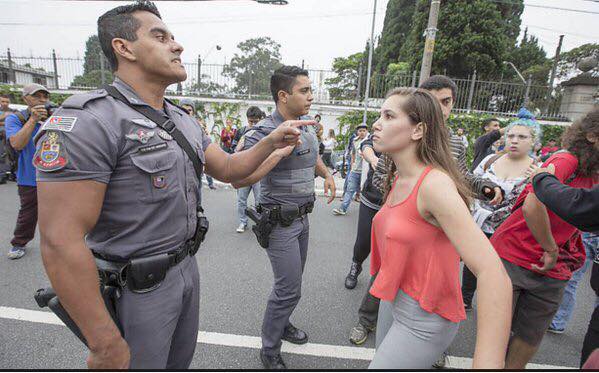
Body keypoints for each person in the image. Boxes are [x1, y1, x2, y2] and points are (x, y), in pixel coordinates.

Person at [34, 3, 311, 369]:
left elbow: (228, 168)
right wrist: (102, 341)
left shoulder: (180, 119)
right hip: (136, 288)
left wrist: (270, 141)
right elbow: (60, 240)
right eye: (160, 37)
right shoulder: (91, 121)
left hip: (185, 270)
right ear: (124, 47)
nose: (177, 46)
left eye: (173, 37)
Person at [351, 76, 504, 355]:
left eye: (388, 115)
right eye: (379, 115)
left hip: (423, 317)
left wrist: (487, 362)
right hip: (394, 298)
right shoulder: (399, 176)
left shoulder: (434, 185)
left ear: (418, 130)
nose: (375, 124)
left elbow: (493, 272)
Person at [232, 65, 336, 369]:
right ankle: (269, 348)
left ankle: (283, 321)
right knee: (288, 287)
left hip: (303, 219)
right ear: (283, 95)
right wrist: (277, 152)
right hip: (279, 223)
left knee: (293, 283)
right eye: (304, 90)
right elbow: (239, 178)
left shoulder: (305, 125)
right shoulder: (264, 132)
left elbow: (312, 153)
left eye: (310, 90)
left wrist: (327, 173)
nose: (311, 96)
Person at [490, 110, 599, 369]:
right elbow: (532, 205)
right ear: (593, 136)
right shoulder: (566, 160)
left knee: (530, 334)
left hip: (556, 266)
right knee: (496, 333)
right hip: (515, 254)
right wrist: (550, 248)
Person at [462, 111, 541, 311]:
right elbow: (469, 181)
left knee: (498, 272)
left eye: (522, 137)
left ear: (534, 141)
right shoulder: (490, 159)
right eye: (511, 136)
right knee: (472, 265)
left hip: (509, 232)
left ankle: (494, 308)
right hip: (477, 224)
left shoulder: (538, 170)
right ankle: (464, 298)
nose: (515, 141)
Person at [5, 84, 50, 259]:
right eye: (36, 96)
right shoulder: (16, 119)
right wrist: (33, 120)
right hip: (29, 175)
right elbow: (16, 144)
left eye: (44, 96)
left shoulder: (55, 115)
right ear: (25, 99)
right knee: (28, 213)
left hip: (57, 174)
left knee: (63, 211)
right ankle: (19, 243)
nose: (41, 99)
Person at [343, 132, 382, 291]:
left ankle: (383, 279)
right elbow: (366, 145)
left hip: (401, 201)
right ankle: (355, 266)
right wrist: (373, 159)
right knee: (364, 241)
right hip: (372, 198)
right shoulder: (385, 128)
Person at [233, 106, 265, 233]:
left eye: (256, 121)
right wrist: (238, 147)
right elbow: (232, 152)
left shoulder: (264, 133)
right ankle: (242, 222)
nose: (253, 124)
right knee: (241, 199)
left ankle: (260, 223)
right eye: (251, 121)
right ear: (247, 119)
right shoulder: (241, 132)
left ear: (260, 120)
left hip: (259, 172)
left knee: (259, 201)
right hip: (243, 173)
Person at [179, 98, 216, 189]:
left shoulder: (198, 126)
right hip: (179, 169)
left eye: (189, 110)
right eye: (183, 110)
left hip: (195, 167)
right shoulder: (173, 124)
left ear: (193, 112)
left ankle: (210, 183)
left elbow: (206, 144)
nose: (187, 112)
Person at [333, 124, 368, 215]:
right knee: (349, 190)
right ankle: (343, 209)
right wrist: (352, 164)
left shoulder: (369, 140)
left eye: (364, 131)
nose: (362, 132)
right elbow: (353, 153)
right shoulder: (355, 141)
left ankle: (365, 212)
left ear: (367, 132)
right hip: (355, 170)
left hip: (366, 171)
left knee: (365, 192)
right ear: (357, 132)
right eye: (360, 131)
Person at [1, 94, 19, 183]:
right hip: (1, 137)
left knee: (13, 156)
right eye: (3, 101)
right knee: (2, 157)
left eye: (7, 102)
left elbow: (18, 121)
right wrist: (4, 117)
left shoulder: (14, 111)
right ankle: (2, 176)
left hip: (10, 137)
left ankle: (14, 175)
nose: (5, 103)